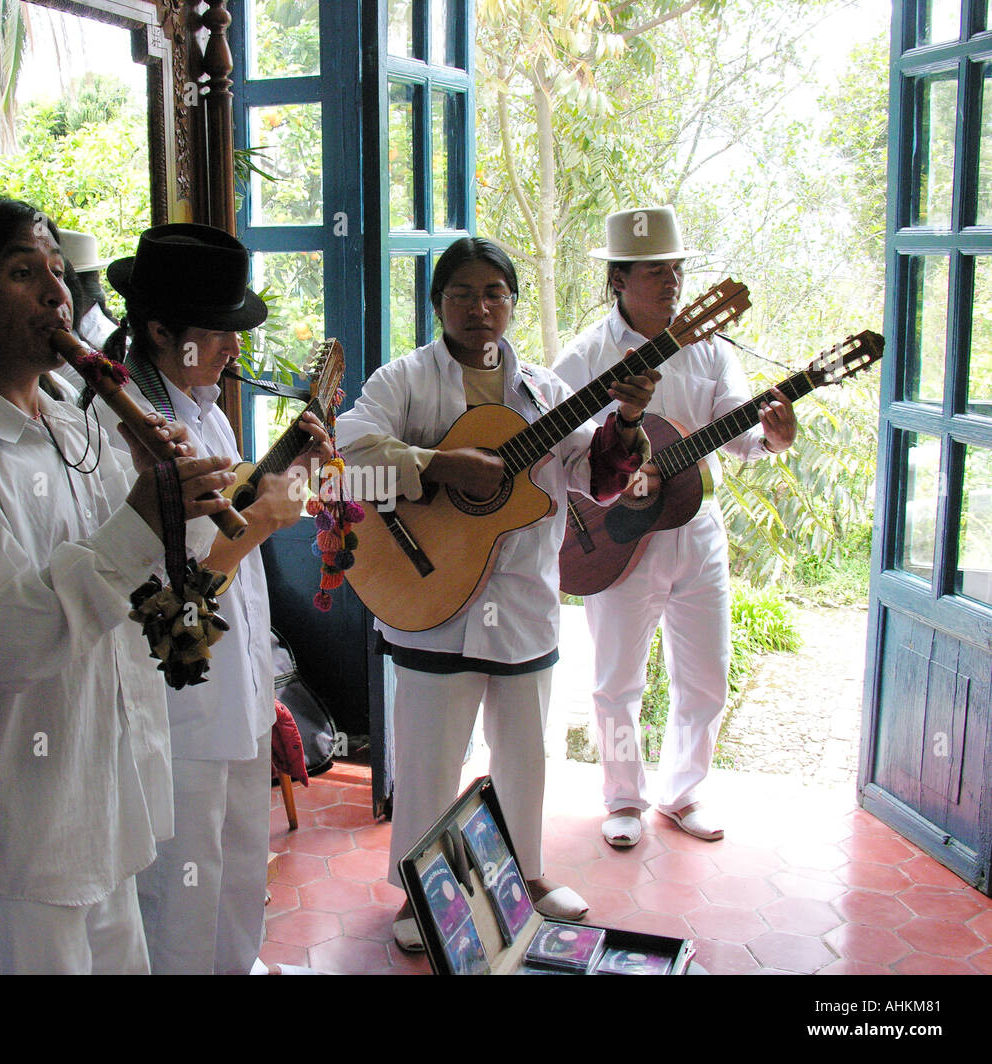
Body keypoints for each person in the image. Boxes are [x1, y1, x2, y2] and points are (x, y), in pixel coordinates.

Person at [0, 198, 237, 974]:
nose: (55, 293)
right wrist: (140, 520)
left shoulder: (74, 420)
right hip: (22, 840)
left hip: (109, 801)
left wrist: (181, 500)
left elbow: (152, 581)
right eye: (20, 271)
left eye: (56, 272)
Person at [334, 236, 658, 951]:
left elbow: (596, 479)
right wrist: (438, 464)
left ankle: (527, 874)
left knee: (526, 750)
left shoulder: (543, 391)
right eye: (462, 294)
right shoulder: (404, 381)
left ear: (512, 302)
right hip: (430, 598)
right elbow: (346, 459)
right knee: (429, 756)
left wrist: (627, 421)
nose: (479, 307)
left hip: (523, 605)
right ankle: (419, 892)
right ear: (437, 304)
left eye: (494, 294)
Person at [105, 224, 330, 974]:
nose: (234, 349)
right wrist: (262, 515)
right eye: (219, 333)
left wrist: (288, 475)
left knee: (240, 873)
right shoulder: (122, 429)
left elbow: (236, 542)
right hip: (176, 703)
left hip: (235, 686)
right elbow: (161, 584)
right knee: (181, 894)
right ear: (161, 330)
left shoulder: (205, 406)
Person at [552, 206, 797, 849]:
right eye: (656, 269)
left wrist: (770, 437)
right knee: (616, 680)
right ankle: (623, 798)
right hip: (614, 538)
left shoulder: (710, 347)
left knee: (706, 674)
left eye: (677, 268)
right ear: (619, 278)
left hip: (698, 529)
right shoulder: (586, 357)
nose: (672, 280)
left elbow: (739, 434)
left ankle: (683, 792)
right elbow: (554, 447)